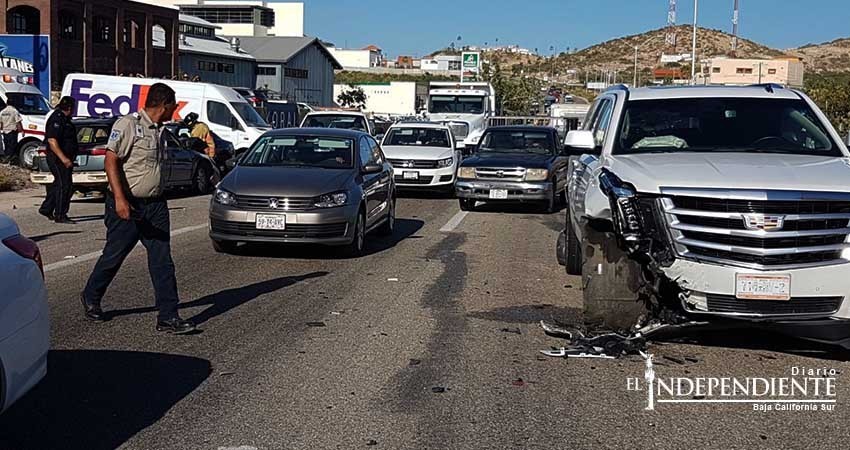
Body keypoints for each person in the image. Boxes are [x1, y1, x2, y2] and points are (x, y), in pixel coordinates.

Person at [81, 83, 196, 334]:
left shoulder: (160, 130)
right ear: (164, 105)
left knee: (162, 260)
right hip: (128, 203)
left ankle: (168, 316)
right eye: (173, 106)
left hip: (155, 205)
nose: (175, 111)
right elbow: (111, 161)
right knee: (115, 255)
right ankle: (91, 295)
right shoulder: (128, 125)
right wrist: (120, 199)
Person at [38, 96, 78, 223]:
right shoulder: (57, 118)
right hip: (57, 158)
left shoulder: (66, 119)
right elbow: (52, 141)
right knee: (64, 185)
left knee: (58, 184)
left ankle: (47, 208)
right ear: (70, 108)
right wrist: (64, 159)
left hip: (64, 157)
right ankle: (60, 214)